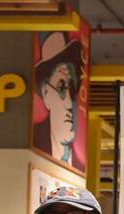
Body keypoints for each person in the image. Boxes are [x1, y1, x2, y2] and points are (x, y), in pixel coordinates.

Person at [32, 32, 83, 172]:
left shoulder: (80, 162)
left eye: (72, 90)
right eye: (61, 88)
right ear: (45, 92)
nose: (68, 103)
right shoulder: (35, 141)